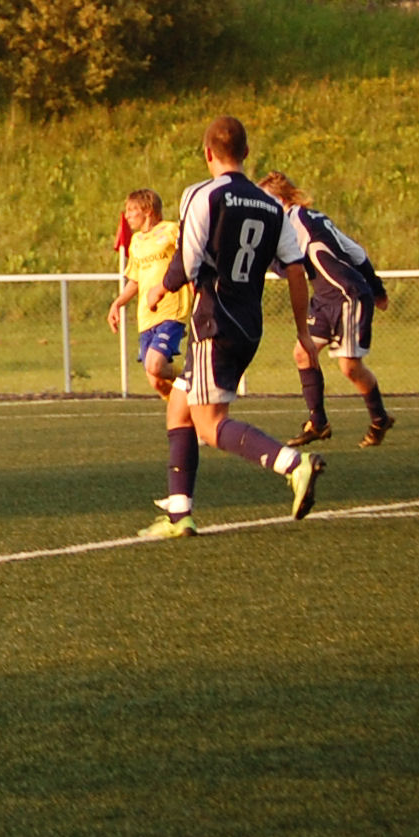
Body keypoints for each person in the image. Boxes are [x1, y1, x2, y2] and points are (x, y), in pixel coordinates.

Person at [141, 116, 321, 539]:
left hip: (214, 321)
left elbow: (188, 260)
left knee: (210, 423)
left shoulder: (202, 195)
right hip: (247, 325)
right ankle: (179, 513)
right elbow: (295, 270)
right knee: (179, 405)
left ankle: (293, 464)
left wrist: (159, 290)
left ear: (207, 154)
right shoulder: (271, 206)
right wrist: (302, 332)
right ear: (245, 154)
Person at [261, 172, 396, 449]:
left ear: (283, 200)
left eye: (268, 201)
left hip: (348, 295)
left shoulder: (296, 223)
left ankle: (380, 418)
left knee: (349, 367)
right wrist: (378, 287)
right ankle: (318, 423)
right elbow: (357, 251)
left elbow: (291, 267)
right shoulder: (313, 217)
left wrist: (375, 290)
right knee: (302, 352)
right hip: (325, 298)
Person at [105, 188, 190, 394]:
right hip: (146, 317)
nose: (127, 216)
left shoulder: (171, 230)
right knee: (156, 381)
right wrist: (118, 303)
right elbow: (134, 280)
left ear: (148, 210)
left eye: (131, 210)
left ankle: (192, 379)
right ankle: (184, 414)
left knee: (156, 365)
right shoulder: (136, 242)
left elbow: (192, 254)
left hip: (170, 311)